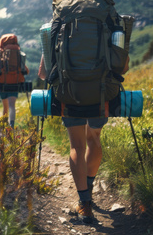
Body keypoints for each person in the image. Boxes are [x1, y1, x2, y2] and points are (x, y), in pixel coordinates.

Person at [38, 54, 129, 223]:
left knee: (77, 147)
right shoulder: (107, 25)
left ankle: (84, 203)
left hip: (69, 94)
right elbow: (123, 67)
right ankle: (89, 186)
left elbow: (44, 73)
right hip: (100, 94)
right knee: (94, 139)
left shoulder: (56, 26)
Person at [0, 34, 29, 128]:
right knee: (12, 105)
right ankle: (11, 125)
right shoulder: (18, 53)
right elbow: (26, 70)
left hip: (2, 83)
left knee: (5, 107)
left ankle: (3, 125)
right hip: (15, 82)